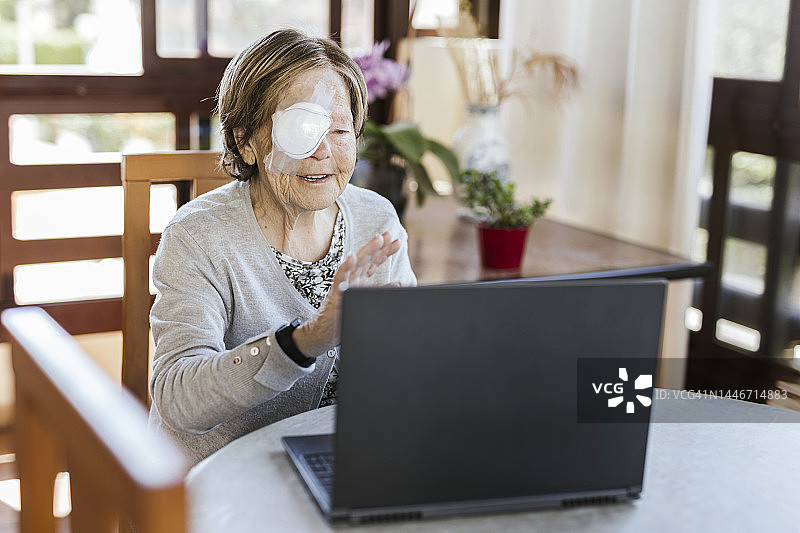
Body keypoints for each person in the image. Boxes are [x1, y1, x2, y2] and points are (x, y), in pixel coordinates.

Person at [148, 28, 416, 463]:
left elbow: (406, 363)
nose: (323, 152)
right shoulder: (198, 236)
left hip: (336, 459)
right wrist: (305, 341)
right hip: (222, 474)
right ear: (245, 143)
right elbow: (179, 399)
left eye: (340, 129)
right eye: (301, 129)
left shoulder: (376, 219)